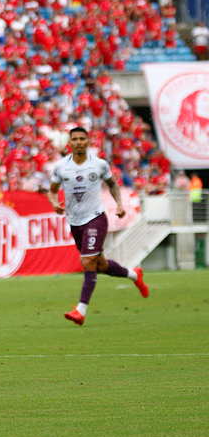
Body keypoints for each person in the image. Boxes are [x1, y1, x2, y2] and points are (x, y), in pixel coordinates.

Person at [48, 127, 149, 326]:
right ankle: (133, 274)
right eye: (74, 139)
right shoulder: (60, 167)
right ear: (69, 142)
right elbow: (52, 191)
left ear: (87, 142)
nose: (78, 142)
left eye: (81, 139)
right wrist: (53, 203)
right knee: (100, 266)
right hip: (75, 222)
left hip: (96, 218)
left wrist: (119, 203)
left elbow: (112, 184)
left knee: (87, 262)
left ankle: (81, 310)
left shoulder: (99, 165)